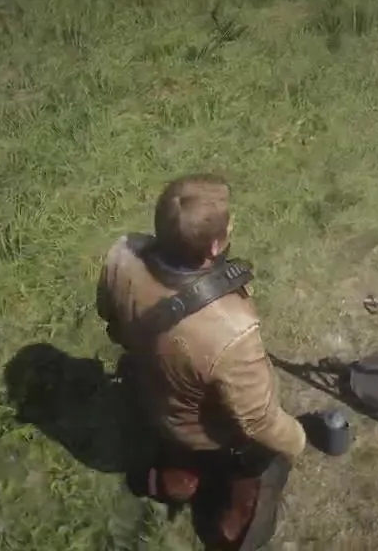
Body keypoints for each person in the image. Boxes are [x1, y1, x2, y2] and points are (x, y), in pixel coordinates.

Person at [96, 173, 306, 548]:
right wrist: (296, 441)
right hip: (203, 433)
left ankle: (161, 479)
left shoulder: (121, 255)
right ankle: (230, 522)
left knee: (178, 450)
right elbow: (257, 419)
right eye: (229, 223)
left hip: (150, 395)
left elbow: (110, 319)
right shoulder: (231, 331)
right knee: (260, 461)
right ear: (214, 247)